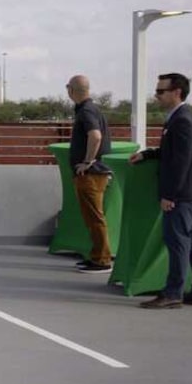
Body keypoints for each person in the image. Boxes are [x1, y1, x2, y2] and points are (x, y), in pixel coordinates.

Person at [130, 72, 192, 309]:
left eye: (160, 91)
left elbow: (181, 162)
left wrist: (170, 195)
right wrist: (147, 154)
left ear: (176, 92)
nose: (156, 95)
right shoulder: (179, 117)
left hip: (183, 195)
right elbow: (172, 151)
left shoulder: (182, 120)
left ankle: (173, 293)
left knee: (177, 242)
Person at [66, 75, 113, 274]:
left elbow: (95, 136)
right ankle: (97, 256)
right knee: (93, 217)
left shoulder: (86, 111)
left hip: (91, 174)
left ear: (71, 90)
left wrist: (87, 162)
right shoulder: (91, 109)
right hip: (95, 173)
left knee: (94, 218)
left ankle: (102, 260)